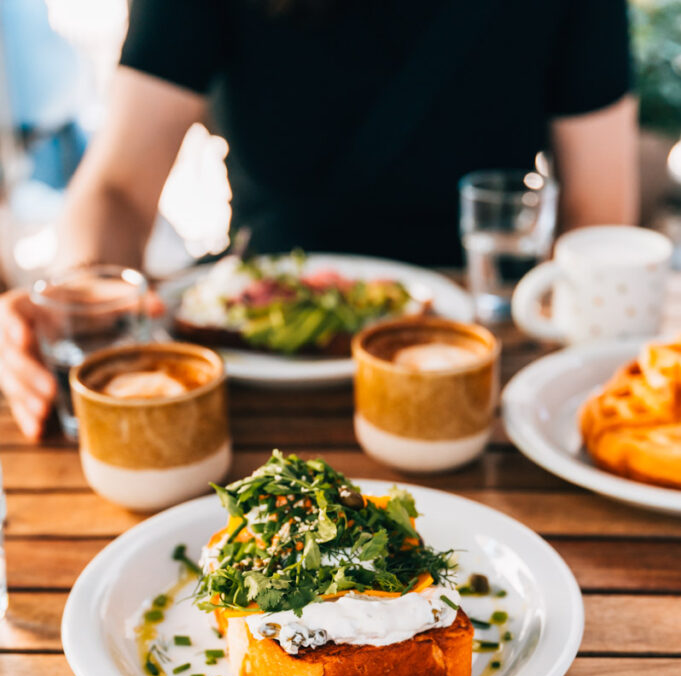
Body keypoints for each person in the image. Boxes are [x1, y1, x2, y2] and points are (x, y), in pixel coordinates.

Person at [1, 0, 639, 440]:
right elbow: (118, 188)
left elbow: (600, 220)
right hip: (235, 395)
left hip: (477, 382)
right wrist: (78, 294)